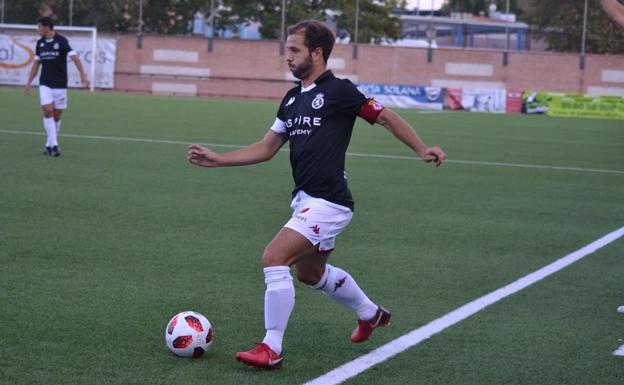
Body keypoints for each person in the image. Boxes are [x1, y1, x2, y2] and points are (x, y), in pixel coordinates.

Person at [187, 20, 446, 369]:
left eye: (294, 50)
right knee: (310, 274)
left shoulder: (339, 91)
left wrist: (420, 148)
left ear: (317, 53)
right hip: (306, 200)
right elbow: (266, 148)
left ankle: (271, 347)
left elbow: (385, 117)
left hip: (330, 201)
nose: (287, 56)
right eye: (287, 49)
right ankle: (371, 314)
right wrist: (218, 160)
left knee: (274, 257)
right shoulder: (292, 99)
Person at [24, 16, 89, 157]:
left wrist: (83, 75)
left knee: (56, 116)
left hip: (60, 84)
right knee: (48, 111)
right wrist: (29, 82)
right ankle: (55, 146)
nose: (38, 30)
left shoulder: (62, 41)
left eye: (40, 27)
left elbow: (75, 58)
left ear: (47, 27)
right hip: (45, 83)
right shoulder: (40, 44)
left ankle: (48, 144)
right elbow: (36, 64)